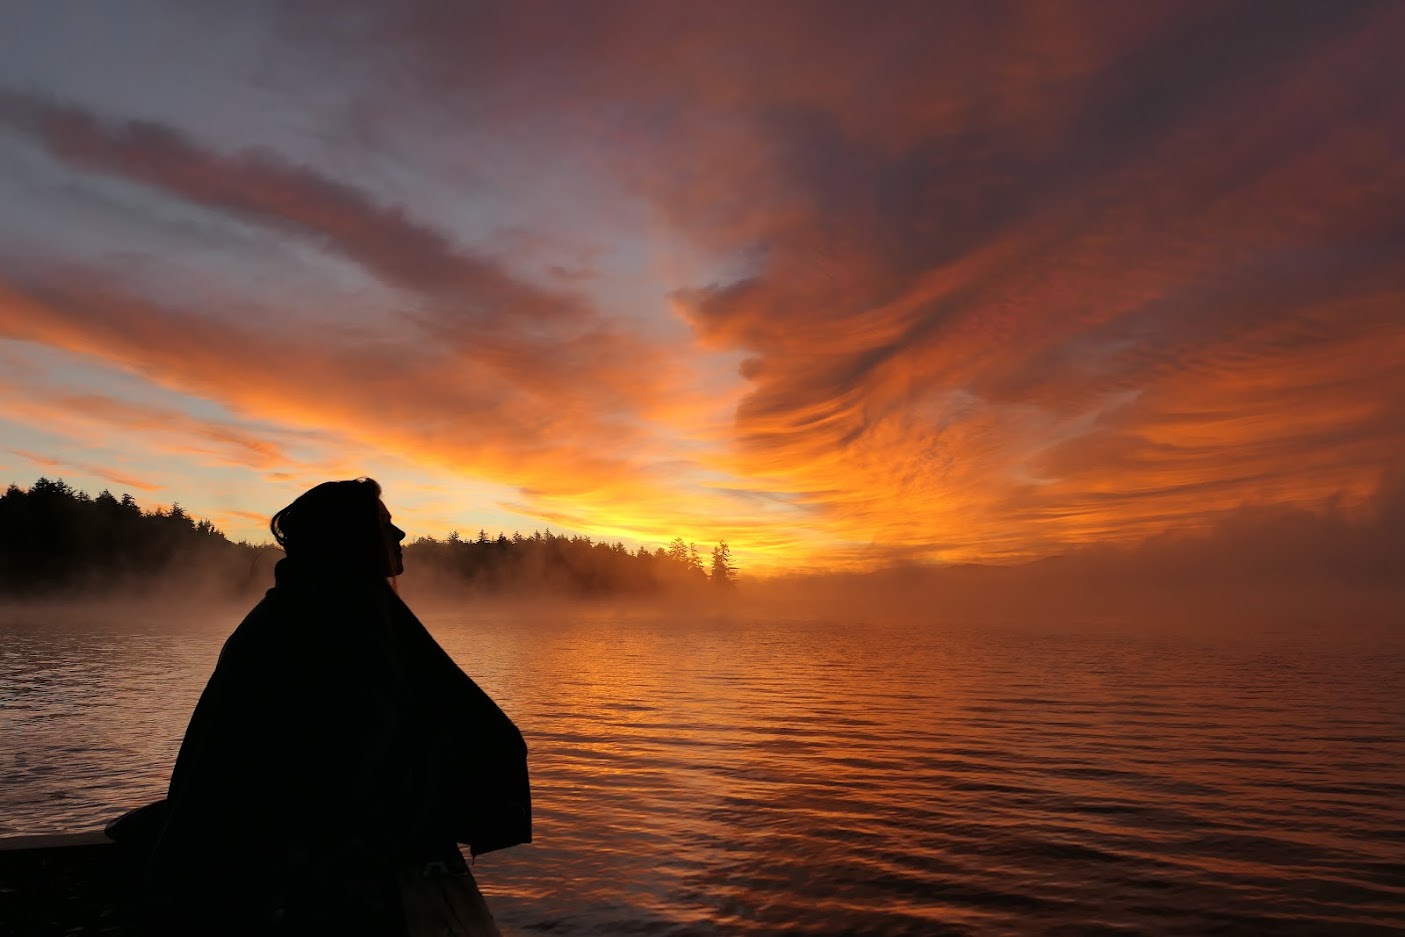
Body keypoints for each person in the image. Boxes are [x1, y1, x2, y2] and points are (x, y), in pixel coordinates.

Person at [110, 478, 530, 935]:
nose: (400, 536)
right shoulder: (334, 617)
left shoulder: (314, 604)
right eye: (385, 525)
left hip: (273, 855)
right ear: (350, 538)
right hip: (284, 870)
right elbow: (348, 757)